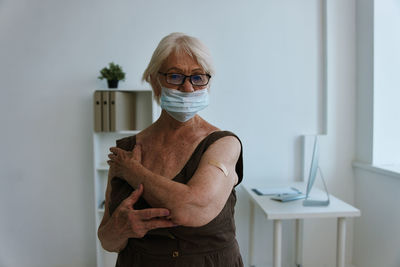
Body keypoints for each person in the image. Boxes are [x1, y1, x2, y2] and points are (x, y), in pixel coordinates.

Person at [98, 32, 244, 267]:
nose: (187, 88)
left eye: (197, 77)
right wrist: (120, 228)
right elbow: (107, 240)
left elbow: (193, 208)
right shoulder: (126, 149)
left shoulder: (223, 145)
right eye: (175, 76)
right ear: (154, 80)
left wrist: (134, 172)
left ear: (208, 82)